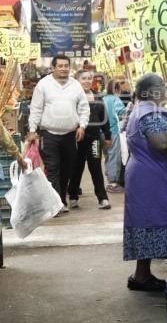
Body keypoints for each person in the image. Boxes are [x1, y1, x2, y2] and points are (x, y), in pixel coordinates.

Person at [123, 73, 167, 292]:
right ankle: (141, 277)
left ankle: (142, 275)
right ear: (151, 92)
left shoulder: (143, 110)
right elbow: (164, 144)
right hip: (152, 179)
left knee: (148, 224)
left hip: (148, 175)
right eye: (162, 86)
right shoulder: (151, 114)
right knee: (152, 223)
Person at [28, 55, 90, 212]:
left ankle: (61, 200)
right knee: (53, 168)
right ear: (53, 68)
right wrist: (32, 130)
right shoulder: (43, 85)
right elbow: (35, 109)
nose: (64, 68)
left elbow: (84, 108)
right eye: (60, 66)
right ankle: (55, 205)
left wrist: (82, 126)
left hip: (70, 135)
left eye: (66, 66)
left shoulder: (75, 85)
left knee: (67, 169)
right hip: (48, 134)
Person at [68, 70, 112, 210]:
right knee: (76, 168)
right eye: (83, 78)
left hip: (94, 139)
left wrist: (108, 135)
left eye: (89, 78)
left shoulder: (98, 96)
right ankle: (73, 196)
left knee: (96, 168)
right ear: (77, 80)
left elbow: (104, 118)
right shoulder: (71, 96)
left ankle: (103, 198)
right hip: (76, 138)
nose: (87, 81)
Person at [103, 79, 125, 193]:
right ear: (116, 89)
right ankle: (113, 184)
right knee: (114, 156)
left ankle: (109, 180)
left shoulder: (102, 99)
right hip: (112, 132)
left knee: (107, 156)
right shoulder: (116, 99)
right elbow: (122, 113)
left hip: (101, 133)